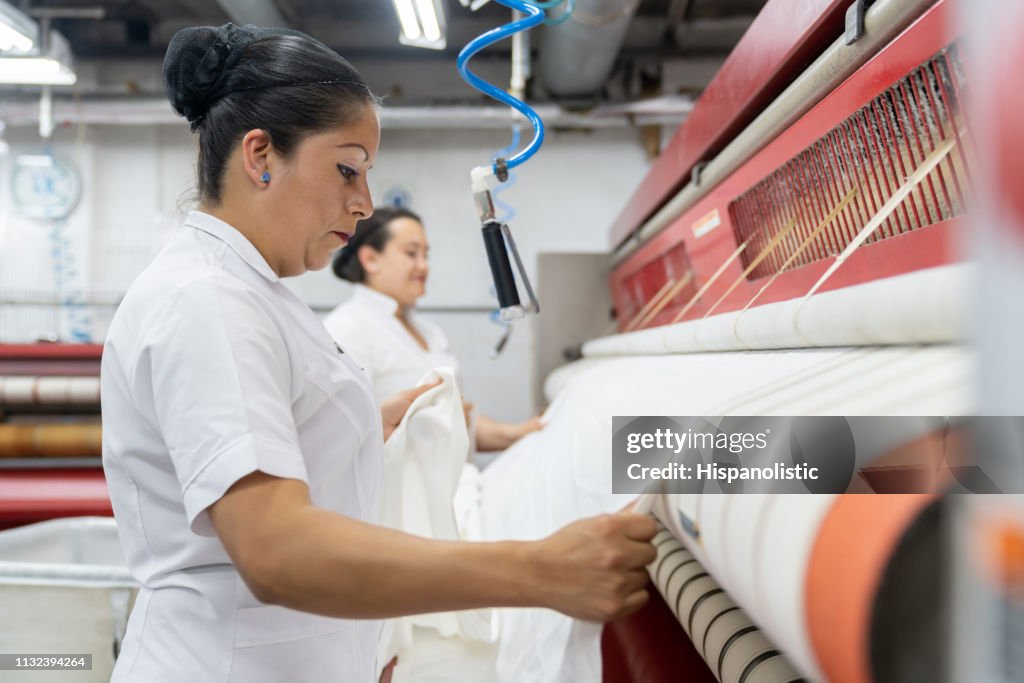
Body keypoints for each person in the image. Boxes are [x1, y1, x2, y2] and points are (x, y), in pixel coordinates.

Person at [100, 23, 657, 682]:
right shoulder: (207, 299)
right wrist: (538, 569)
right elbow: (275, 548)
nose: (363, 203)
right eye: (346, 168)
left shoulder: (256, 292)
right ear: (260, 155)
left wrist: (366, 422)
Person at [324, 207, 541, 453]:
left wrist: (526, 431)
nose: (423, 266)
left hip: (455, 486)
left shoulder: (429, 332)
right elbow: (341, 436)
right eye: (411, 253)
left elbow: (459, 425)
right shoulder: (347, 329)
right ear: (371, 259)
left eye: (425, 255)